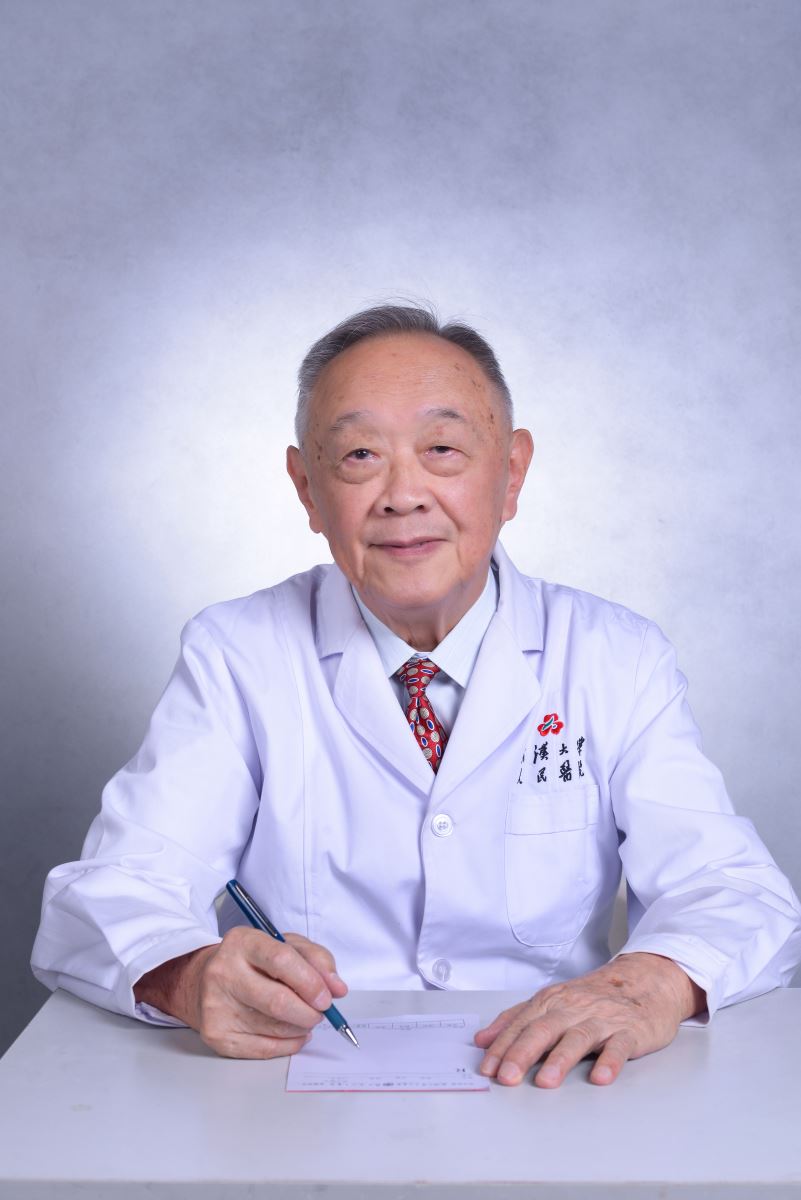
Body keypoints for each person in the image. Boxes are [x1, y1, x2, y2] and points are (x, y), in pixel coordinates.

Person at [32, 304, 801, 1089]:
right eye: (359, 455)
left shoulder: (615, 656)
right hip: (295, 1095)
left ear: (511, 473)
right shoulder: (238, 653)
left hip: (551, 1085)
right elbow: (115, 892)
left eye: (441, 450)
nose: (403, 495)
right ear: (306, 489)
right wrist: (188, 974)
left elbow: (733, 891)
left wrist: (650, 984)